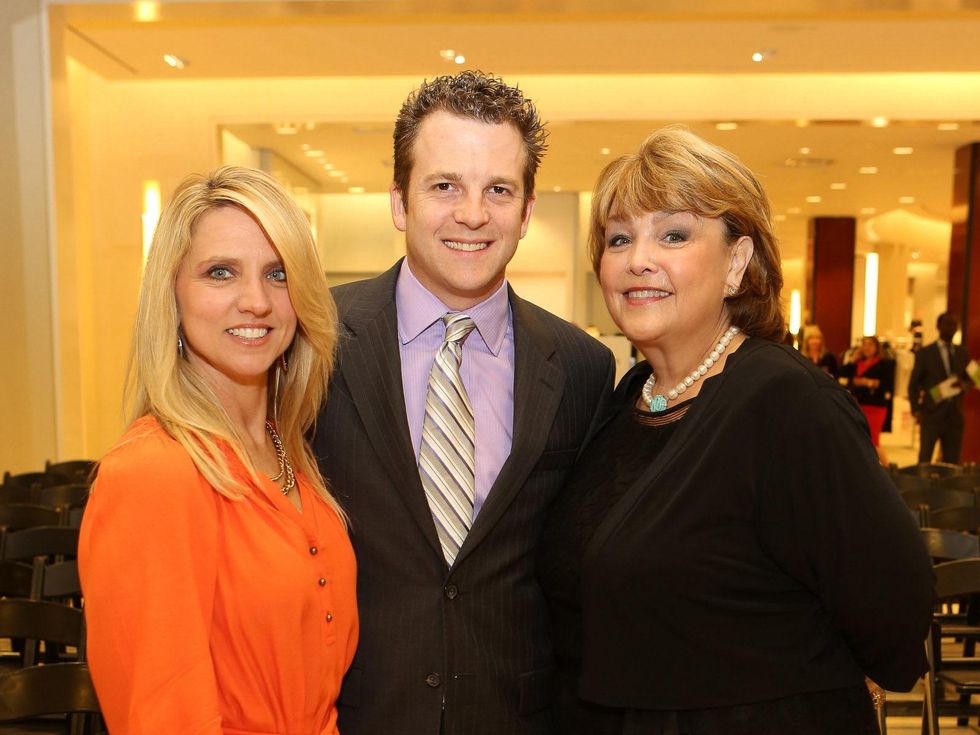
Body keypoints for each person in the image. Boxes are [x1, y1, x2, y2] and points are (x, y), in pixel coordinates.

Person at [537, 127, 934, 735]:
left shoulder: (785, 403)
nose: (638, 258)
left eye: (673, 234)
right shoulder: (623, 402)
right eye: (620, 238)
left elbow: (894, 606)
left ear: (737, 263)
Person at [312, 71, 614, 735]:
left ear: (527, 211)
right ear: (399, 201)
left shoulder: (584, 369)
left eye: (498, 190)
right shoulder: (313, 340)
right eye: (445, 185)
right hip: (356, 713)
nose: (473, 214)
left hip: (517, 715)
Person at [78, 167, 358, 734]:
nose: (255, 301)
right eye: (220, 272)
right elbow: (162, 713)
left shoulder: (293, 454)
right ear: (173, 294)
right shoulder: (152, 473)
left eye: (278, 274)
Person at [908, 311, 973, 463]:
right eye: (947, 324)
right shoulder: (925, 353)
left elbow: (971, 379)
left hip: (954, 416)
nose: (951, 328)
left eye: (954, 325)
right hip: (931, 414)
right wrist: (916, 409)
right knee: (925, 458)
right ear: (938, 326)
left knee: (952, 461)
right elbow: (913, 385)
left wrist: (964, 385)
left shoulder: (962, 352)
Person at [840, 335, 896, 465]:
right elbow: (841, 373)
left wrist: (868, 383)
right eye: (864, 344)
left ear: (877, 347)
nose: (867, 348)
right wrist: (853, 359)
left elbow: (887, 385)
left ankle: (886, 469)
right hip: (857, 405)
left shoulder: (884, 363)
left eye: (870, 344)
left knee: (873, 440)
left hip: (876, 407)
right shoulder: (857, 363)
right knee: (858, 438)